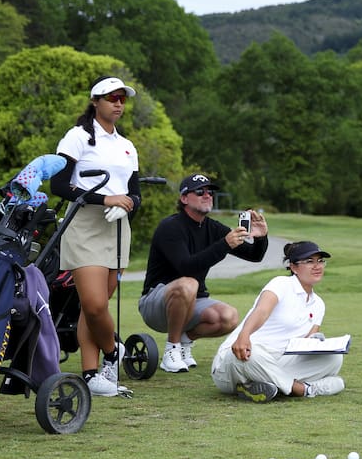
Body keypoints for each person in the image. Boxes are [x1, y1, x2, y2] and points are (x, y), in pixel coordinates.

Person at [50, 76, 142, 397]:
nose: (118, 103)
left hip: (117, 226)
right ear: (95, 101)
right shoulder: (77, 137)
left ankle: (91, 374)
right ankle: (113, 351)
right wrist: (105, 199)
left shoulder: (126, 146)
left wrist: (128, 204)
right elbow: (59, 185)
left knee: (92, 311)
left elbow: (135, 193)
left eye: (122, 99)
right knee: (94, 304)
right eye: (111, 98)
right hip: (84, 223)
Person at [139, 174, 270, 373]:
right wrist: (224, 245)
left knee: (229, 317)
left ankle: (184, 341)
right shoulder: (170, 227)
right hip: (155, 302)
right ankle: (171, 350)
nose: (207, 195)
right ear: (184, 198)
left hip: (191, 302)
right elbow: (186, 267)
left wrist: (261, 237)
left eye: (210, 192)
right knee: (189, 283)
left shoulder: (212, 227)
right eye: (200, 191)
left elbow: (254, 256)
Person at [210, 241, 345, 403]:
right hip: (238, 360)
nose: (317, 266)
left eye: (320, 261)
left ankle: (260, 385)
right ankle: (302, 389)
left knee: (334, 358)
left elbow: (305, 344)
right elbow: (262, 311)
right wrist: (244, 335)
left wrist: (317, 343)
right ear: (293, 267)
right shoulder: (281, 284)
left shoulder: (319, 304)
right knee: (250, 354)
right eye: (309, 261)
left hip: (276, 363)